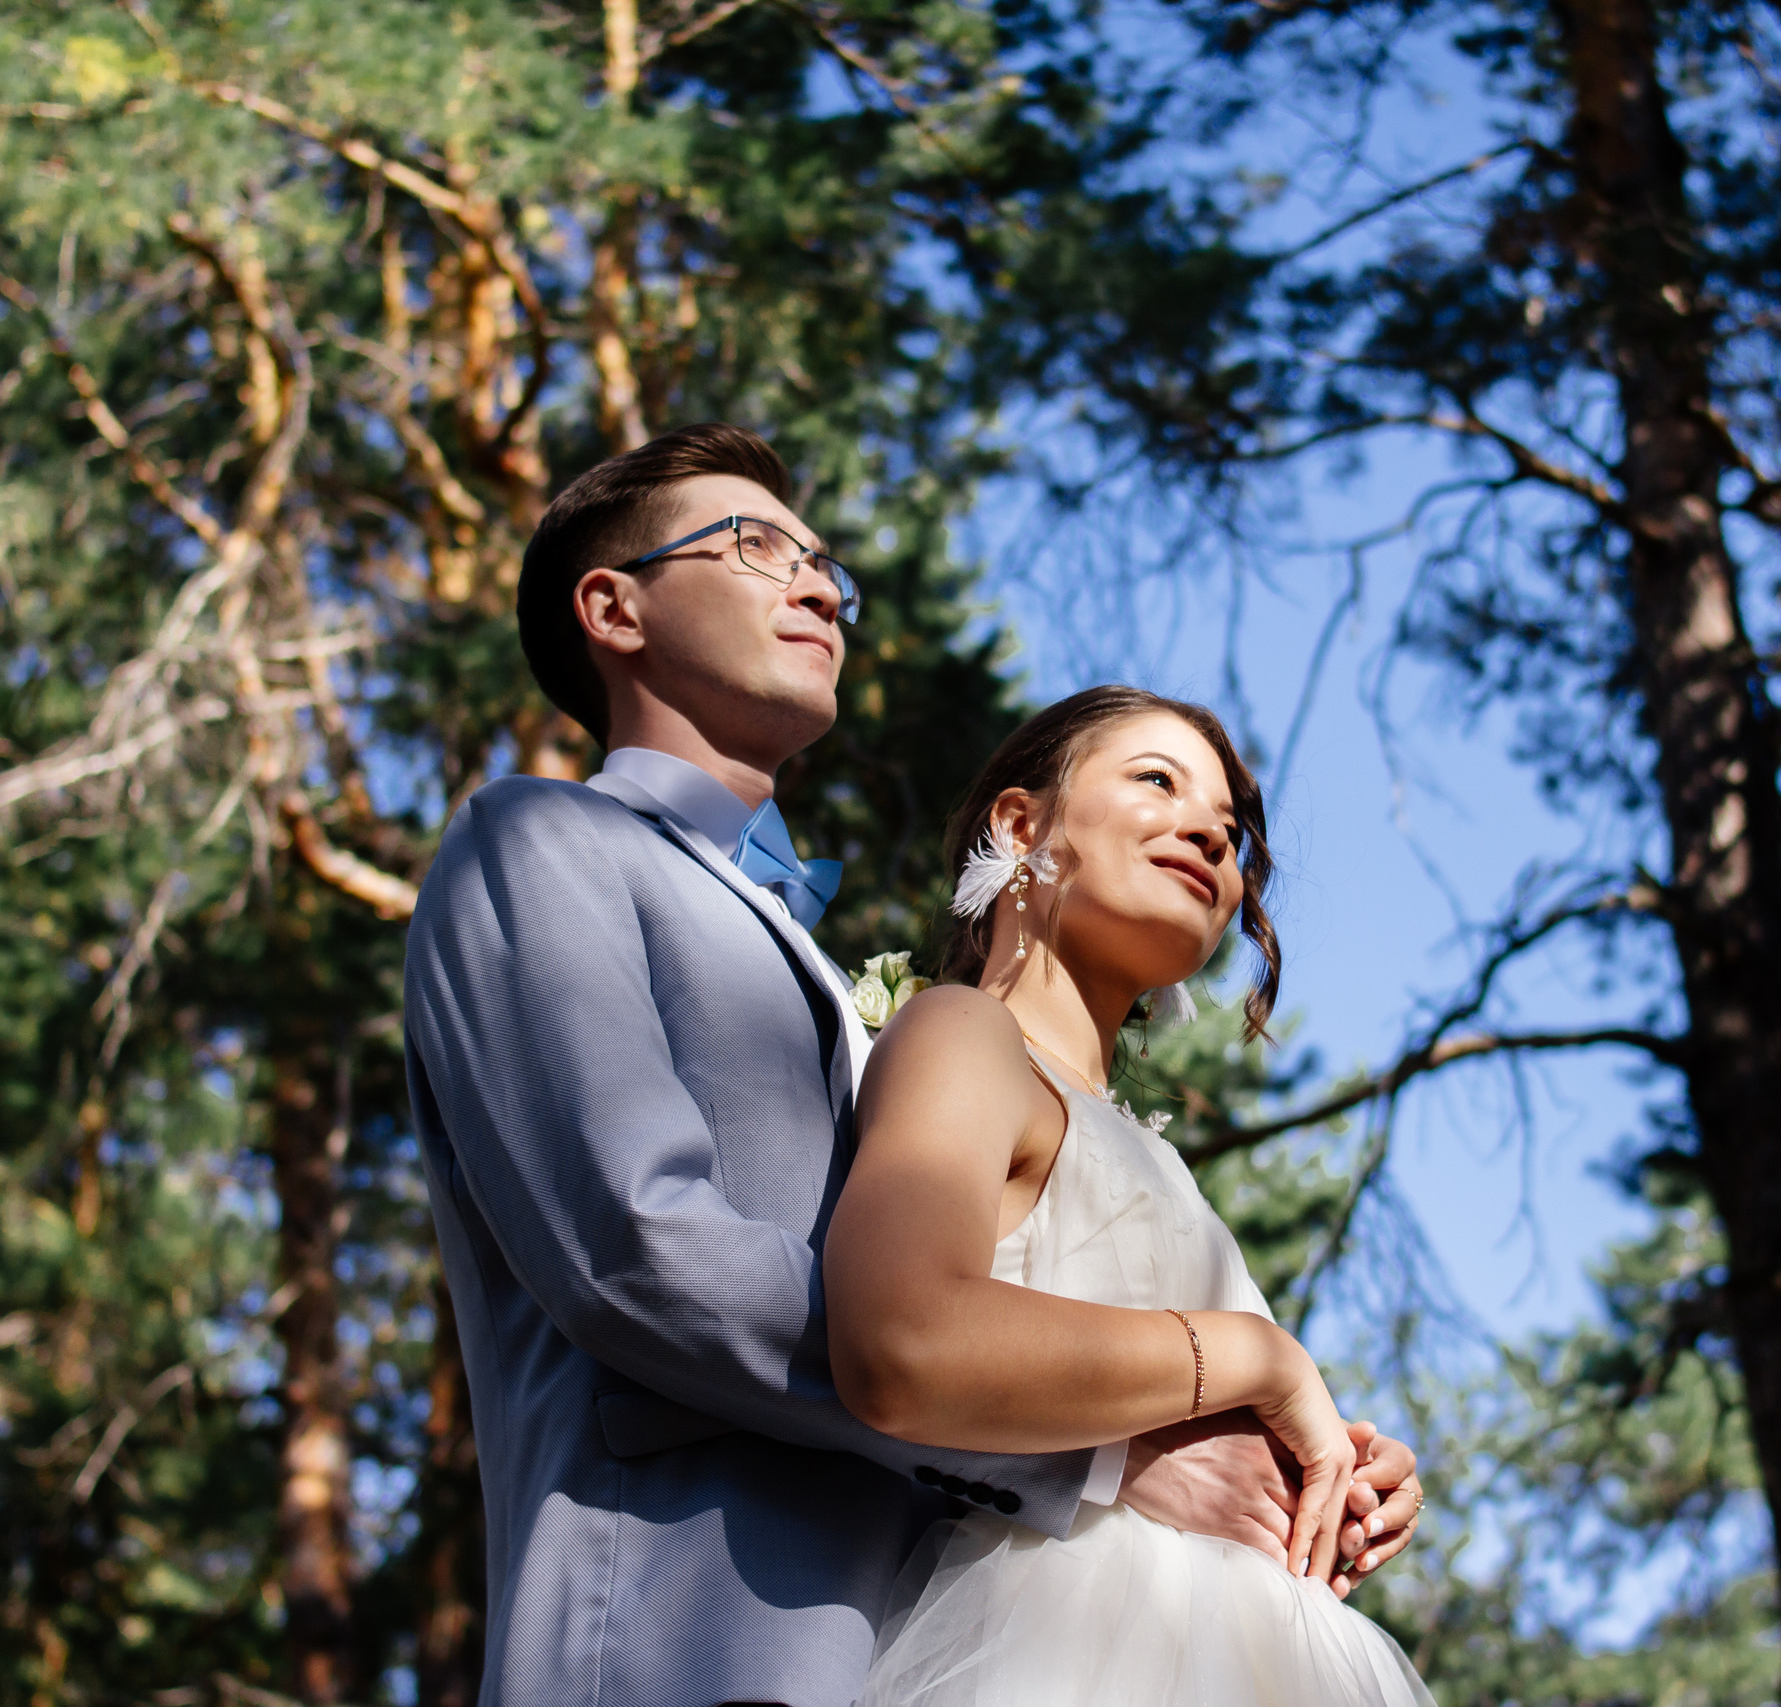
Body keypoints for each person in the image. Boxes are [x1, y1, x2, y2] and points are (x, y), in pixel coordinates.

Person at [401, 422, 1422, 1707]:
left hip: (915, 1637)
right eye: (756, 546)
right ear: (613, 607)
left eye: (827, 564)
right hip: (681, 1632)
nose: (820, 584)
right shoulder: (539, 841)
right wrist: (1103, 1449)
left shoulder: (858, 999)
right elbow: (640, 1247)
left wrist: (1287, 1472)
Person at [828, 686, 1436, 1706]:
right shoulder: (961, 1036)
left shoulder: (1152, 1156)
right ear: (1023, 826)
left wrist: (1333, 1481)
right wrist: (1256, 1356)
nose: (1209, 829)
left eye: (1231, 829)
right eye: (1157, 780)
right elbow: (901, 1340)